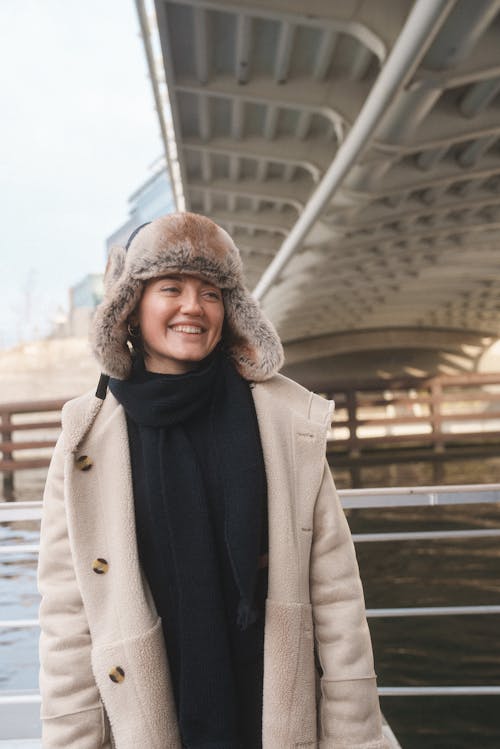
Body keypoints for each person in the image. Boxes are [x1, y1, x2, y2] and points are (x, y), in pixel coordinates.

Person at [38, 212, 389, 749]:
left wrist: (354, 735)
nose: (192, 308)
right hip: (147, 713)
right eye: (171, 288)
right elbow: (67, 615)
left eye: (211, 293)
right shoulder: (87, 437)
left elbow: (337, 593)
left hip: (274, 706)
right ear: (130, 308)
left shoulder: (283, 421)